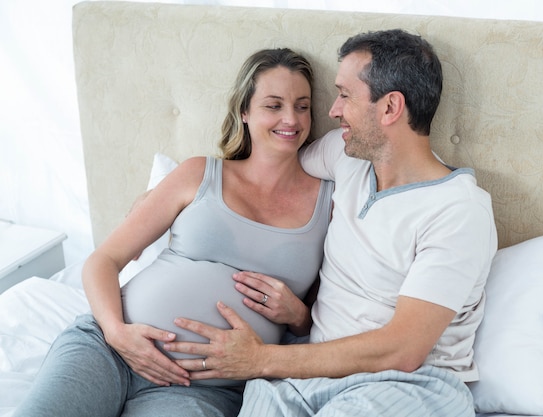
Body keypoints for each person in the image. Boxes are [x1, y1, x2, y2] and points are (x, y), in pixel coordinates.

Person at [164, 29, 498, 416]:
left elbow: (403, 349)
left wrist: (261, 360)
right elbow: (266, 175)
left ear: (390, 107)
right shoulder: (345, 155)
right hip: (305, 376)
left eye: (345, 95)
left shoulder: (457, 210)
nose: (332, 111)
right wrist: (171, 198)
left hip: (409, 384)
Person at [13, 48, 333, 417]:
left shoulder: (330, 202)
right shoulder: (199, 174)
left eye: (302, 105)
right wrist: (117, 332)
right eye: (273, 105)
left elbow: (324, 317)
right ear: (244, 112)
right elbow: (104, 259)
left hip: (201, 389)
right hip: (110, 350)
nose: (291, 118)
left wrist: (297, 315)